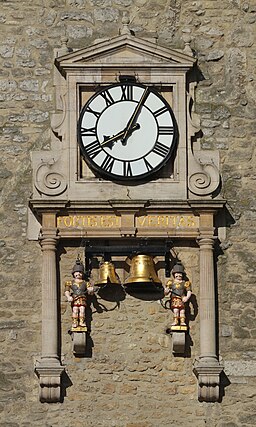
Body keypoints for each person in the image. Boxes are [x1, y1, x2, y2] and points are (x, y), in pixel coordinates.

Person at [65, 257, 94, 329]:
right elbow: (67, 291)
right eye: (77, 272)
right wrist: (68, 297)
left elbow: (90, 293)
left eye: (80, 272)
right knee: (75, 310)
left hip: (82, 298)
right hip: (75, 298)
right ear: (74, 273)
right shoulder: (70, 282)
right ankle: (75, 322)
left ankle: (81, 322)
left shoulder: (86, 283)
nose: (78, 274)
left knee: (82, 310)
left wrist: (91, 290)